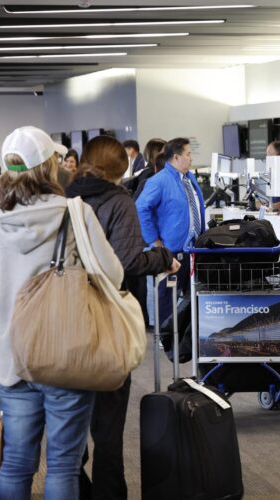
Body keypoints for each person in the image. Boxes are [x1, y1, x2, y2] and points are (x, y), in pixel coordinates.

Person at [0, 126, 124, 499]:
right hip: (66, 351)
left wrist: (19, 313)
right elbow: (112, 273)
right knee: (62, 464)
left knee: (15, 461)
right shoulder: (76, 213)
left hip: (13, 356)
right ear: (49, 166)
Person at [66, 136, 179, 499]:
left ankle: (75, 488)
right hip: (106, 321)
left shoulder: (65, 198)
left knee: (70, 421)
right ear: (120, 166)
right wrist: (163, 259)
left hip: (67, 318)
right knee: (109, 425)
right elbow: (127, 262)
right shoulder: (119, 201)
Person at [136, 137, 205, 329]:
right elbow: (141, 208)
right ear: (176, 157)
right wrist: (155, 242)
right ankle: (166, 336)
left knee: (189, 295)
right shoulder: (159, 181)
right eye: (188, 154)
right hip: (171, 249)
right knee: (168, 295)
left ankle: (185, 334)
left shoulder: (188, 178)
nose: (191, 158)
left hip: (193, 247)